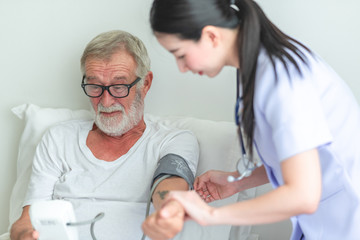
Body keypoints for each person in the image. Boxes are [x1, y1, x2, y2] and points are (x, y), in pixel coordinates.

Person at [143, 0, 360, 239]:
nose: (181, 67)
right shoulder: (260, 67)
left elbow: (303, 195)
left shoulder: (282, 83)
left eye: (180, 54)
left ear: (211, 36)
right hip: (325, 224)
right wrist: (236, 182)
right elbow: (297, 157)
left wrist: (210, 215)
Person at [10, 30, 199, 240]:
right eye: (95, 86)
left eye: (118, 87)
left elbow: (170, 184)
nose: (106, 101)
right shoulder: (59, 139)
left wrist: (169, 210)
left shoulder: (173, 141)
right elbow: (27, 219)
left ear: (145, 84)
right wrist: (25, 235)